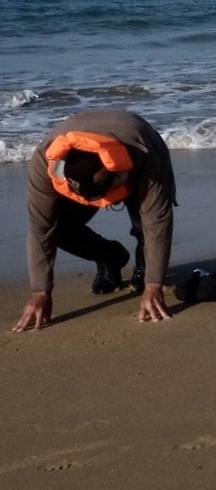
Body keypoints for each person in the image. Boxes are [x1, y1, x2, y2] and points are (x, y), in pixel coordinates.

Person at [15, 109, 176, 332]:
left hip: (138, 143)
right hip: (84, 166)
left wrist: (154, 284)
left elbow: (158, 222)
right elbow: (41, 229)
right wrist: (40, 291)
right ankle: (110, 257)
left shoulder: (143, 155)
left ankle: (144, 265)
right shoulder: (44, 161)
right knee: (59, 228)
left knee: (144, 226)